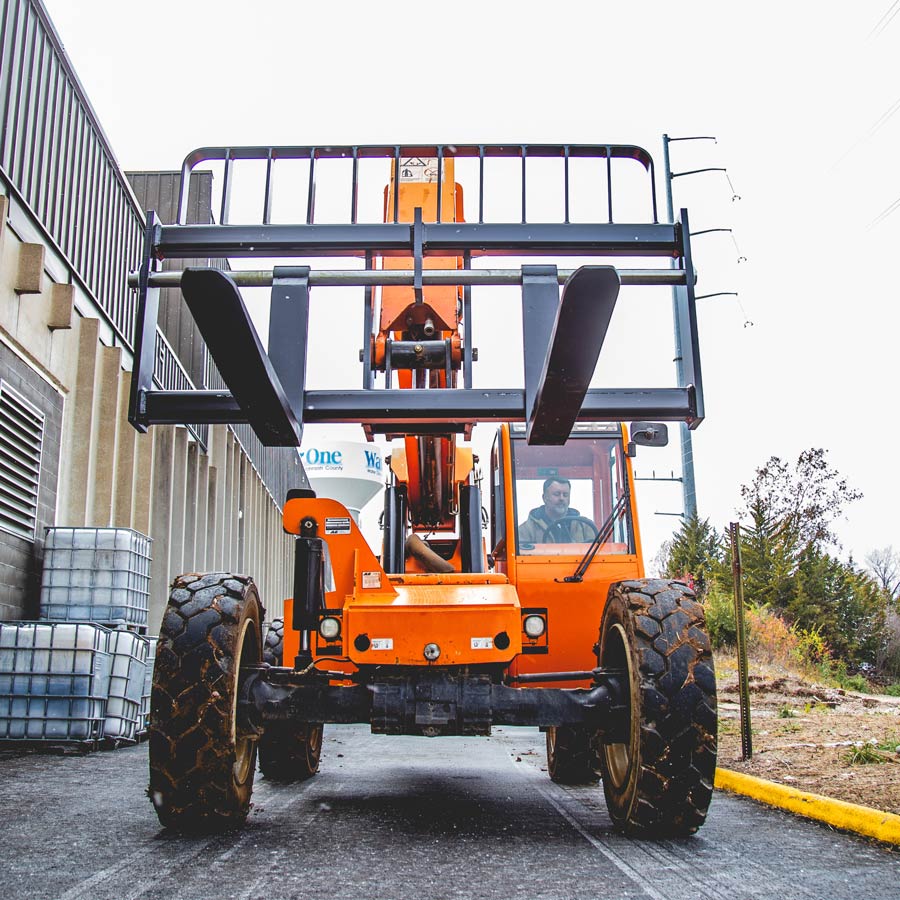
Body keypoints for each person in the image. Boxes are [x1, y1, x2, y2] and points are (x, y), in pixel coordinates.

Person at [518, 477, 596, 543]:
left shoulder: (586, 527)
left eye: (565, 495)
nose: (561, 498)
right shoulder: (526, 530)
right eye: (557, 494)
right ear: (544, 498)